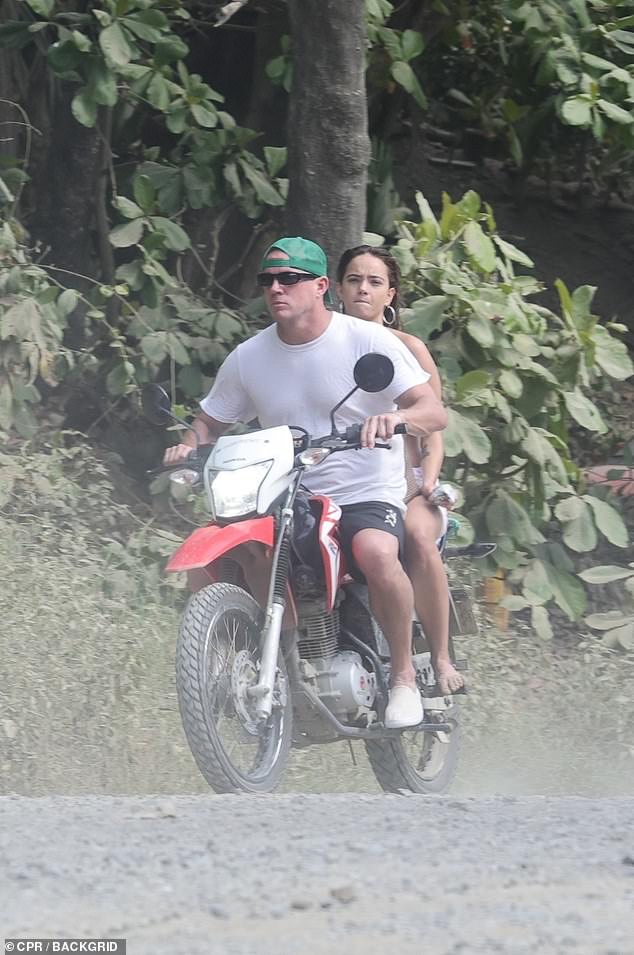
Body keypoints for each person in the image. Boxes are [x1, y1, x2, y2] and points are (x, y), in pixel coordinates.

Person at [164, 236, 447, 728]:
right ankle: (281, 663)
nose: (277, 288)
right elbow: (209, 421)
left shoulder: (368, 342)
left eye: (290, 279)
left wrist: (394, 422)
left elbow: (431, 410)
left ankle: (403, 677)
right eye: (268, 280)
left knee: (378, 552)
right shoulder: (249, 357)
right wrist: (189, 444)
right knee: (238, 548)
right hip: (283, 488)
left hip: (364, 488)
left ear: (320, 287)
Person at [336, 244, 464, 696]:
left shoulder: (408, 348)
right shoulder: (319, 344)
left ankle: (441, 656)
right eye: (354, 280)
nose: (363, 290)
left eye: (374, 282)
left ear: (391, 295)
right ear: (337, 288)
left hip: (406, 485)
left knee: (417, 538)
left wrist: (425, 482)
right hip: (340, 482)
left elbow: (433, 425)